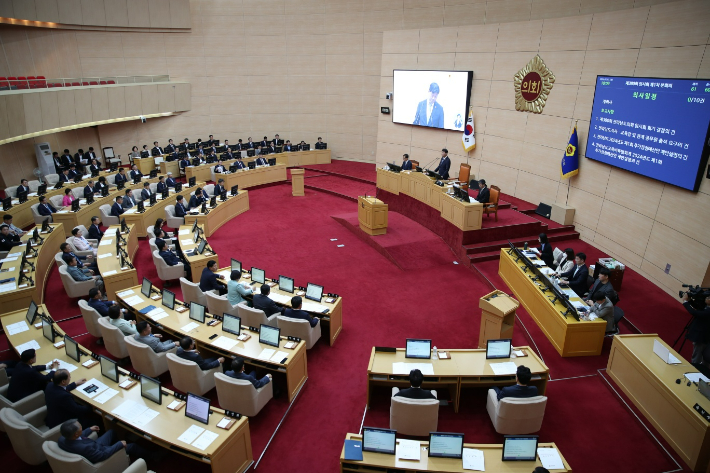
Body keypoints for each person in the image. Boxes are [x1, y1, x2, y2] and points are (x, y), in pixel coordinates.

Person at [58, 419, 156, 464]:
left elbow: (78, 436)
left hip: (96, 446)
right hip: (102, 452)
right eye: (80, 427)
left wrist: (89, 429)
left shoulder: (62, 439)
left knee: (111, 432)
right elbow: (102, 456)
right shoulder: (85, 448)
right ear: (75, 434)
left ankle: (123, 450)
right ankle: (152, 457)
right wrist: (119, 445)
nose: (81, 428)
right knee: (133, 446)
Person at [682, 291, 710, 365]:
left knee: (697, 354)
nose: (706, 299)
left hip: (702, 336)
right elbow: (698, 308)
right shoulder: (707, 307)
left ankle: (695, 368)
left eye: (708, 298)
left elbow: (696, 313)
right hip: (702, 334)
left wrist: (685, 302)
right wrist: (690, 300)